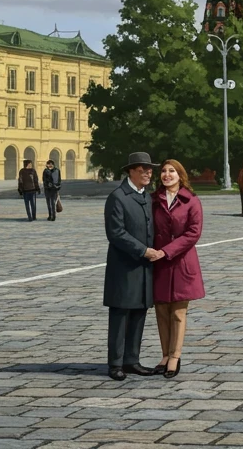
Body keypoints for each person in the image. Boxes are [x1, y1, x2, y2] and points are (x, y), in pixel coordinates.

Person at [104, 152, 161, 381]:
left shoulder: (146, 197)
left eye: (149, 170)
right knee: (120, 314)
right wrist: (143, 250)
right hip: (124, 266)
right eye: (143, 169)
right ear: (131, 171)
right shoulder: (118, 197)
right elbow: (116, 233)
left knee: (139, 311)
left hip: (144, 267)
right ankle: (115, 363)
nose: (148, 173)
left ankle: (131, 360)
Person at [151, 159, 204, 379]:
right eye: (163, 171)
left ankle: (175, 356)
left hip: (182, 262)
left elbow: (193, 233)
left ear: (180, 175)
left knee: (178, 312)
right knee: (162, 311)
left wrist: (167, 250)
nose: (167, 174)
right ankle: (164, 355)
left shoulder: (191, 201)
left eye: (171, 171)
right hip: (159, 262)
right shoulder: (153, 200)